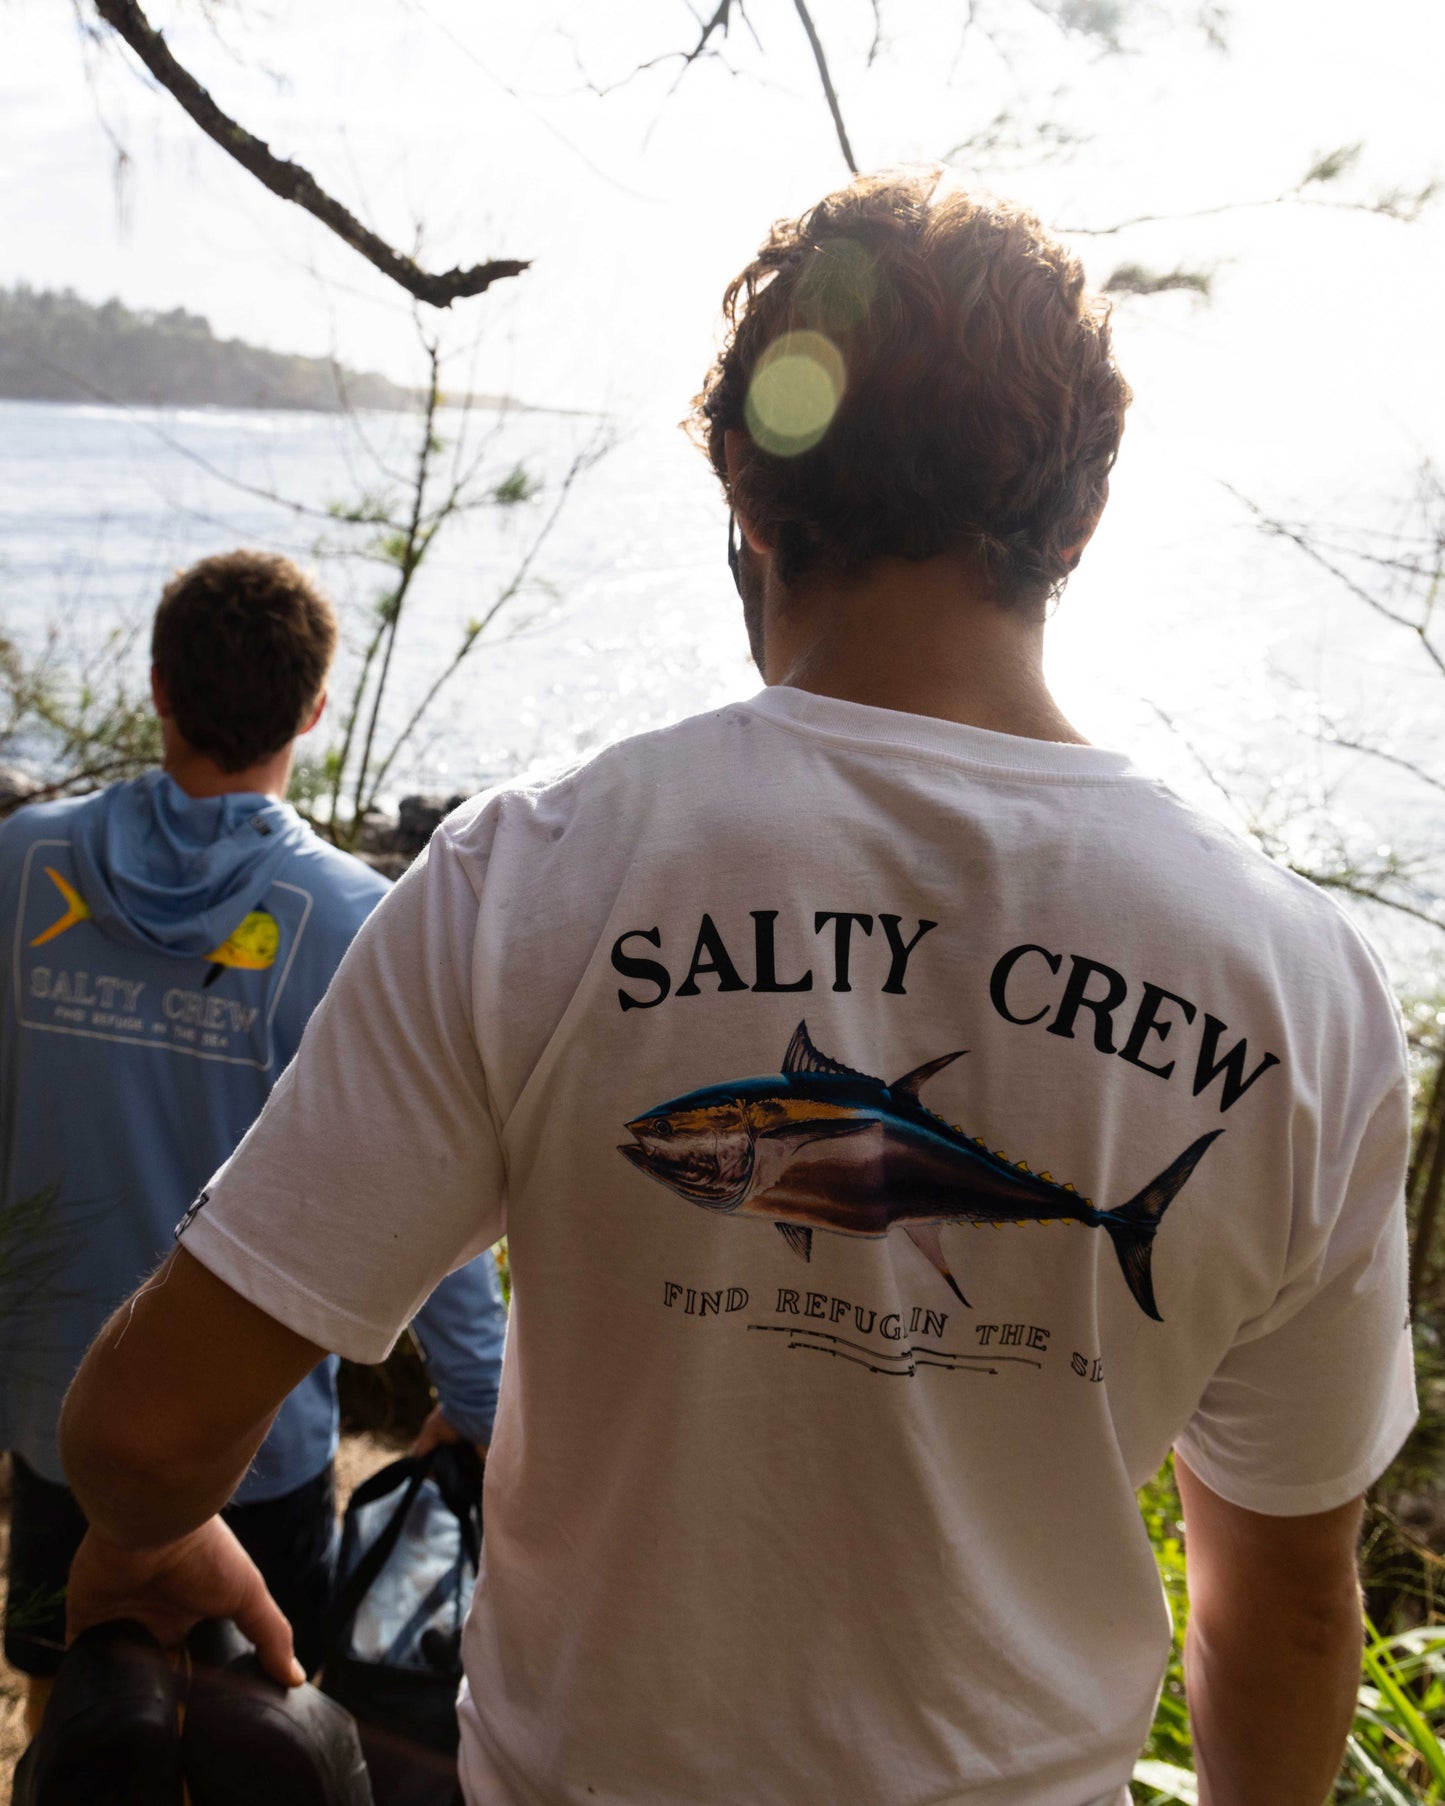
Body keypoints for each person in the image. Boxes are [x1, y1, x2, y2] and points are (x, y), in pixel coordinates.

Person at [57, 177, 1414, 1806]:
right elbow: (1281, 1603)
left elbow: (142, 1437)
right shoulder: (1302, 985)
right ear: (1080, 522)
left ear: (747, 501)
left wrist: (160, 1522)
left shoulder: (530, 874)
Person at [0, 550, 507, 1728]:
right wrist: (485, 1409)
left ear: (159, 689)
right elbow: (419, 1198)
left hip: (54, 1420)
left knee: (65, 1722)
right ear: (315, 709)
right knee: (254, 1744)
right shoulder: (346, 918)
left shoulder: (23, 869)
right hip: (250, 1446)